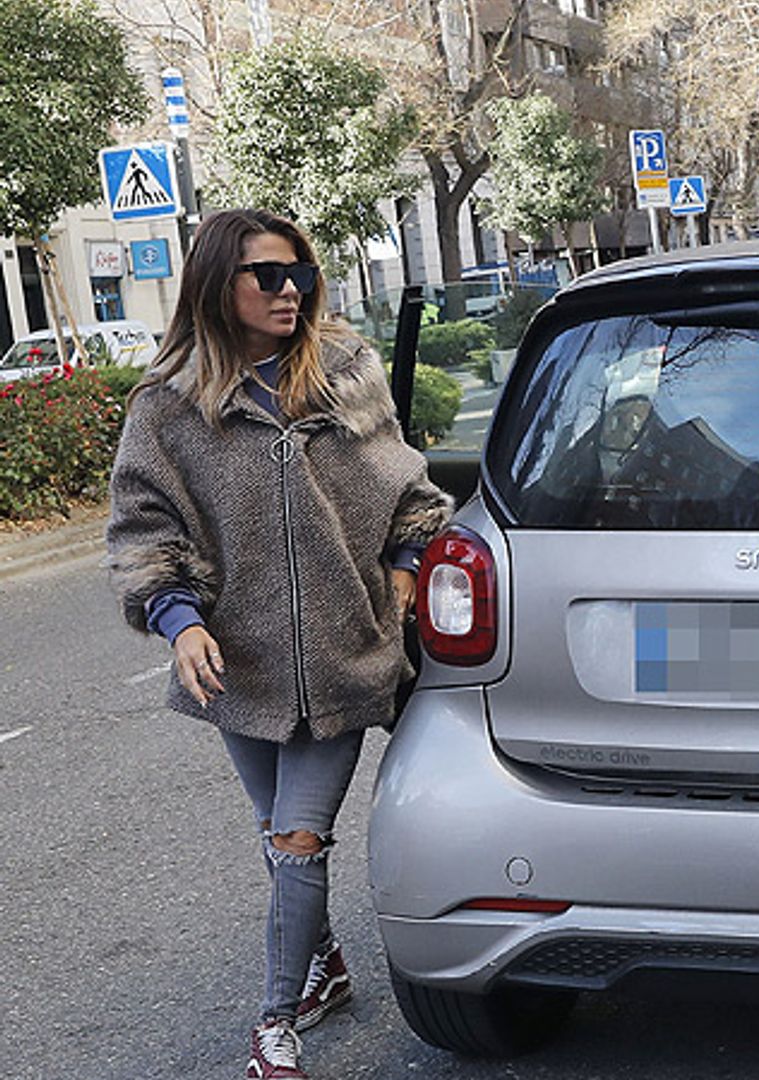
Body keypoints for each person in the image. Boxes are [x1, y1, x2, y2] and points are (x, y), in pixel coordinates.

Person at [107, 209, 452, 1078]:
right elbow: (142, 529)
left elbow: (411, 493)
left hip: (347, 654)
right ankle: (326, 969)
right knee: (275, 836)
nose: (290, 288)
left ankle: (273, 1027)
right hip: (240, 668)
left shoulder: (347, 375)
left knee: (299, 839)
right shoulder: (170, 405)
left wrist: (403, 583)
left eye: (298, 271)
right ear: (219, 286)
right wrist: (178, 624)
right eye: (267, 275)